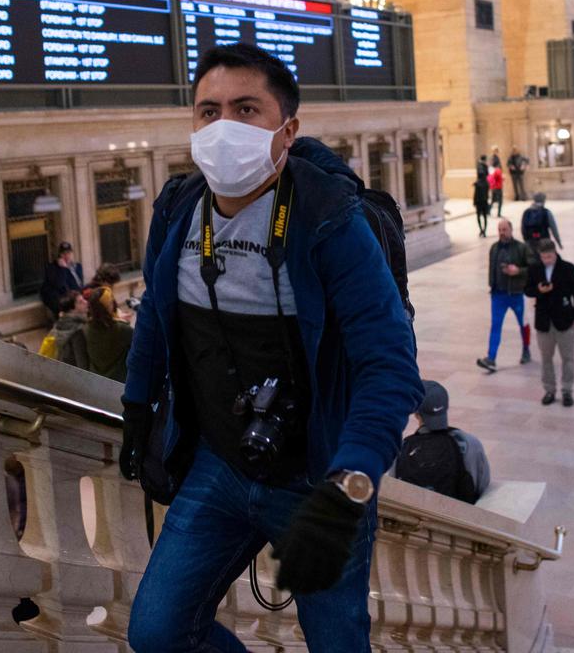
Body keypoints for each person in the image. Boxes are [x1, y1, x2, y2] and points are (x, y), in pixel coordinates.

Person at [120, 43, 422, 651]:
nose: (223, 126)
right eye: (208, 111)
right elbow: (155, 315)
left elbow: (388, 365)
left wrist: (352, 487)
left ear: (288, 130)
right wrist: (137, 409)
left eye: (246, 109)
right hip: (218, 466)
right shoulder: (180, 210)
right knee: (158, 633)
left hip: (321, 476)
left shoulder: (329, 218)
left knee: (337, 643)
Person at [392, 380, 490, 504]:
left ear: (416, 414)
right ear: (446, 407)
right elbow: (483, 488)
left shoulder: (402, 448)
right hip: (458, 519)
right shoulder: (470, 444)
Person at [525, 240, 574, 407]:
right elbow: (527, 290)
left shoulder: (568, 269)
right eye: (543, 257)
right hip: (544, 321)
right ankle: (549, 389)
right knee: (546, 358)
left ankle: (567, 390)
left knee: (568, 358)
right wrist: (539, 290)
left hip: (564, 320)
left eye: (549, 256)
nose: (546, 260)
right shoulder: (535, 268)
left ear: (555, 253)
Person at [477, 218, 531, 373]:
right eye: (500, 230)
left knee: (523, 324)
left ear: (511, 230)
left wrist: (518, 271)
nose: (502, 232)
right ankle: (491, 358)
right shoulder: (494, 248)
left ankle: (526, 349)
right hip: (498, 295)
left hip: (516, 294)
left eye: (504, 229)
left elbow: (533, 269)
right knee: (495, 326)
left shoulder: (521, 248)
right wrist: (492, 287)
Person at [84, 286, 134, 382]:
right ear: (109, 306)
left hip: (96, 380)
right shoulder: (122, 329)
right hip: (120, 380)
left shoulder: (86, 329)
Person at [38, 290, 90, 369]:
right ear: (72, 309)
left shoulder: (58, 325)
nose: (86, 302)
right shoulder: (77, 331)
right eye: (80, 302)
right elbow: (82, 363)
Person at [39, 241, 83, 319]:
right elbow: (59, 284)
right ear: (60, 255)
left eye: (69, 253)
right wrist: (63, 269)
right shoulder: (52, 268)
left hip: (77, 293)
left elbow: (79, 284)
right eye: (64, 254)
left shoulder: (78, 266)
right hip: (62, 295)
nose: (67, 256)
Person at [520, 192, 563, 261]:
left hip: (530, 243)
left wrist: (526, 242)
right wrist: (559, 243)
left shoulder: (526, 212)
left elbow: (523, 229)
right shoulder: (546, 212)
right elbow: (554, 230)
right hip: (545, 242)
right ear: (543, 201)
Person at [473, 170, 490, 238]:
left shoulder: (477, 183)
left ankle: (481, 230)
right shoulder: (486, 183)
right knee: (485, 217)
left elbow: (476, 194)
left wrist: (474, 202)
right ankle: (484, 230)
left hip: (479, 202)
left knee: (478, 217)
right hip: (485, 202)